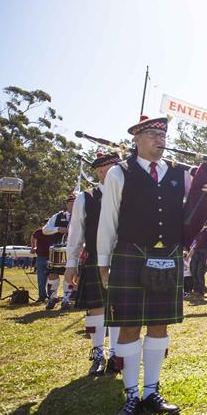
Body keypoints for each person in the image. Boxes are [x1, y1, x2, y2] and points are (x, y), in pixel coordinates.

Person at [98, 113, 207, 415]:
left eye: (163, 135)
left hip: (168, 255)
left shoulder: (180, 172)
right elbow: (108, 220)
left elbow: (200, 205)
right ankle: (131, 394)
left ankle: (151, 391)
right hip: (129, 255)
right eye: (153, 134)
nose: (159, 140)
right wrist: (103, 262)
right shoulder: (119, 173)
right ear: (136, 138)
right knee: (128, 327)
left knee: (159, 325)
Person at [64, 152, 122, 376]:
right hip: (96, 256)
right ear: (100, 171)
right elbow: (76, 232)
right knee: (96, 306)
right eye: (113, 168)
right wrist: (71, 264)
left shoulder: (129, 194)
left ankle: (116, 353)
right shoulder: (85, 198)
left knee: (118, 306)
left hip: (122, 257)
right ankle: (98, 352)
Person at [42, 195, 75, 310]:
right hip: (57, 251)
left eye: (76, 203)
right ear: (67, 204)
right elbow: (45, 230)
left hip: (74, 251)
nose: (73, 205)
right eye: (71, 203)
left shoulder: (83, 216)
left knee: (69, 275)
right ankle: (53, 297)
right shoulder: (57, 216)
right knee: (52, 275)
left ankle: (66, 299)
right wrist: (58, 229)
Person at [189, 225, 207, 298]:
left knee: (199, 273)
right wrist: (188, 255)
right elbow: (194, 244)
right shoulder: (196, 231)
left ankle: (201, 291)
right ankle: (196, 290)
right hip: (196, 253)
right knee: (193, 270)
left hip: (204, 253)